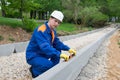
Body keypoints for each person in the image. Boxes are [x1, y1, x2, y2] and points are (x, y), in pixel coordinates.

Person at [26, 10, 76, 78]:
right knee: (48, 64)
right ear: (50, 18)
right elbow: (45, 47)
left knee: (58, 50)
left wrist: (68, 49)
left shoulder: (52, 31)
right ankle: (34, 71)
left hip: (43, 54)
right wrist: (59, 54)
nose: (56, 24)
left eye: (59, 22)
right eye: (55, 21)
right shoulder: (41, 30)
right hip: (33, 56)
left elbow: (57, 43)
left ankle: (51, 69)